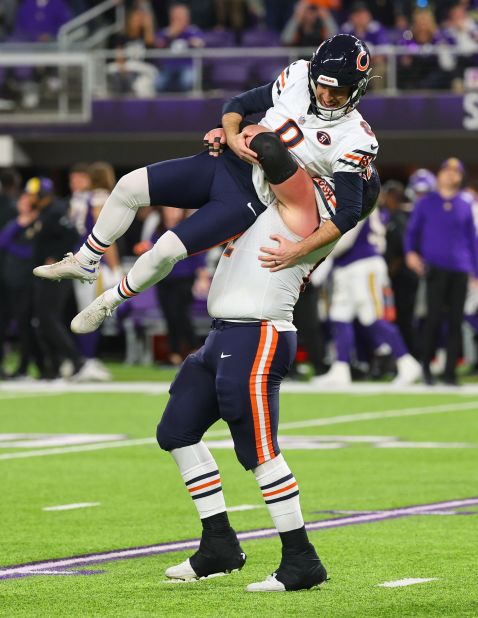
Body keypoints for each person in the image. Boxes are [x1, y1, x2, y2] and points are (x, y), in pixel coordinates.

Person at [33, 34, 379, 338]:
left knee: (166, 249)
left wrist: (299, 250)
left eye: (339, 90)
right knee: (128, 185)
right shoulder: (298, 75)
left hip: (252, 195)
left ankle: (109, 301)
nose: (328, 94)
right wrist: (228, 133)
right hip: (224, 163)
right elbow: (238, 106)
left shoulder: (354, 137)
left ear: (358, 88)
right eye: (323, 85)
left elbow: (348, 212)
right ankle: (86, 259)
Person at [157, 156, 380, 592]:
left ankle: (301, 560)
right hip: (223, 336)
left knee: (259, 451)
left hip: (257, 337)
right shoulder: (284, 206)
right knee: (177, 431)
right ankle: (218, 543)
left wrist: (239, 122)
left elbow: (275, 154)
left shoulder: (309, 214)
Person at [314, 206, 421, 386]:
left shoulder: (358, 199)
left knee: (372, 318)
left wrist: (314, 252)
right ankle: (341, 368)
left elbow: (344, 241)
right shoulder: (356, 198)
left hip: (363, 266)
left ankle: (407, 363)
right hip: (347, 267)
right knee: (339, 316)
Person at [405, 158, 478, 385]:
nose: (450, 175)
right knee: (433, 319)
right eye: (446, 170)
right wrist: (411, 253)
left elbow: (472, 241)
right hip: (435, 267)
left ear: (460, 177)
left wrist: (475, 273)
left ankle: (450, 373)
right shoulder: (426, 203)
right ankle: (426, 368)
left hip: (459, 267)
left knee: (455, 321)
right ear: (440, 175)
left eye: (455, 172)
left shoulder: (465, 204)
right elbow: (412, 233)